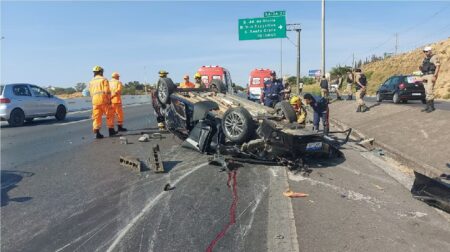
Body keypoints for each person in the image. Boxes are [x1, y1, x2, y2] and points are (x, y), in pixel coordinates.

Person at [88, 66, 114, 139]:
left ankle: (97, 133)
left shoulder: (91, 81)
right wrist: (109, 100)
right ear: (100, 72)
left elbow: (90, 92)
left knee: (96, 117)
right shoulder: (104, 79)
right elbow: (107, 91)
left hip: (95, 102)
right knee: (109, 115)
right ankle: (111, 130)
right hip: (104, 100)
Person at [420, 46, 440, 112]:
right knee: (426, 92)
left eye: (427, 51)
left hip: (431, 75)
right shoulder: (424, 59)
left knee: (429, 91)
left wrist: (435, 75)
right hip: (424, 75)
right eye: (425, 51)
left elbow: (437, 66)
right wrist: (421, 68)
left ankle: (431, 107)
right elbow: (422, 67)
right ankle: (428, 107)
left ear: (430, 51)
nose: (425, 52)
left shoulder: (434, 57)